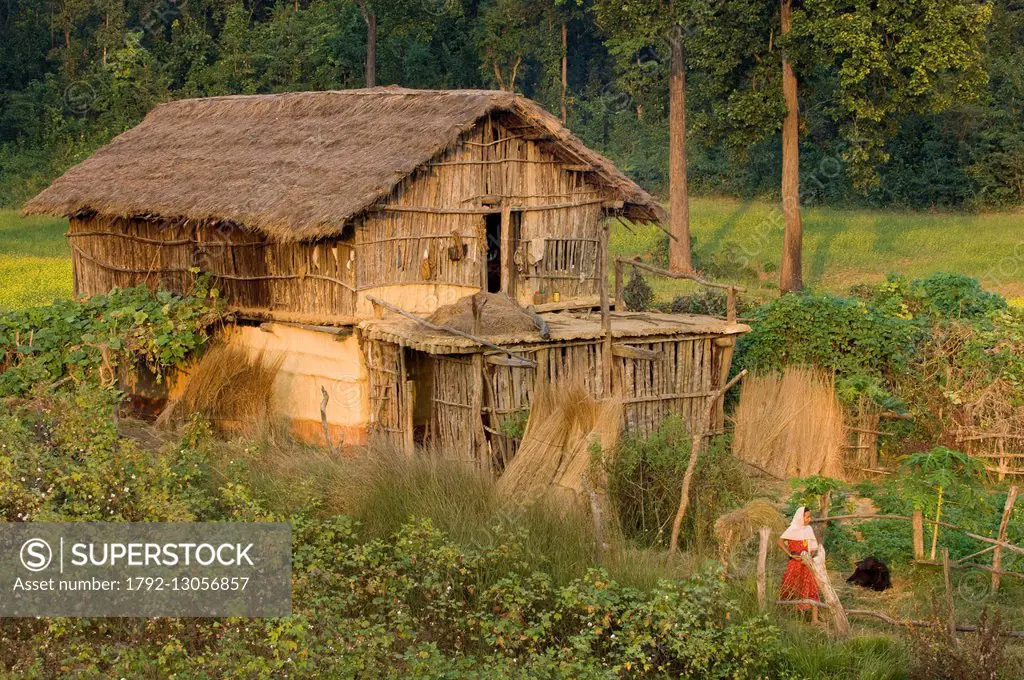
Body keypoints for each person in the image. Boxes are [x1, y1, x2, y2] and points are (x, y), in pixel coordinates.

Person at [777, 506, 821, 624]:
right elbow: (780, 542)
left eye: (810, 517)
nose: (809, 519)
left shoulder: (808, 529)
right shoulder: (792, 529)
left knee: (812, 588)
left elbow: (812, 546)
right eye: (807, 517)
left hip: (807, 563)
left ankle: (814, 619)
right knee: (791, 587)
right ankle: (784, 616)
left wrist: (809, 556)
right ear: (800, 517)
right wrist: (790, 554)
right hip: (794, 564)